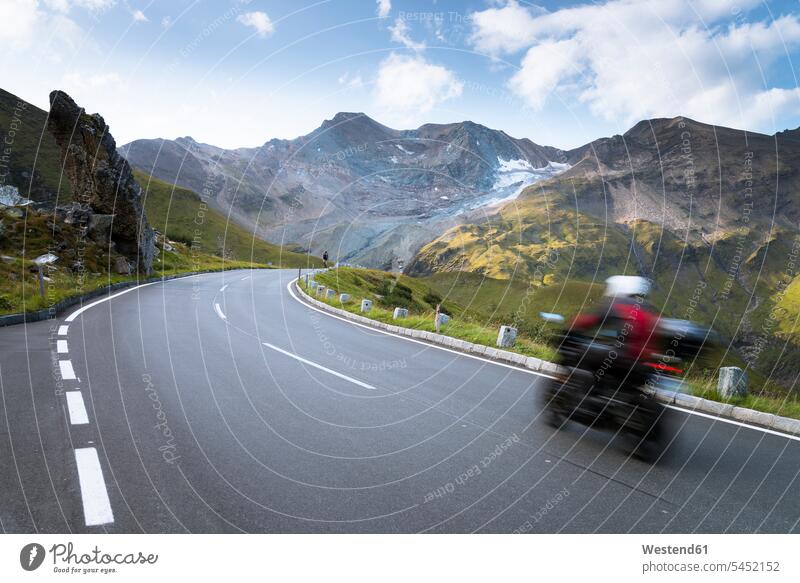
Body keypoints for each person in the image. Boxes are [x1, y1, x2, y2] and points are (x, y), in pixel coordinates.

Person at [569, 275, 660, 393]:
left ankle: (587, 391)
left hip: (623, 358)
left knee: (583, 352)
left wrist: (573, 324)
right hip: (643, 364)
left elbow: (591, 321)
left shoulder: (617, 303)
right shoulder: (648, 310)